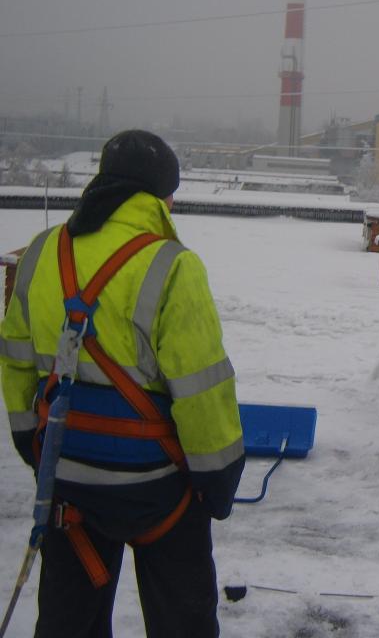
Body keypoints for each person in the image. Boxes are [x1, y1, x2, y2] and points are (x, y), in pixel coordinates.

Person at [0, 130, 244, 637]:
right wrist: (217, 482)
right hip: (157, 491)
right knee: (184, 622)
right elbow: (203, 393)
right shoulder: (173, 265)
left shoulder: (41, 253)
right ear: (160, 196)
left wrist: (31, 441)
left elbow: (16, 360)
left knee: (69, 623)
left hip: (68, 485)